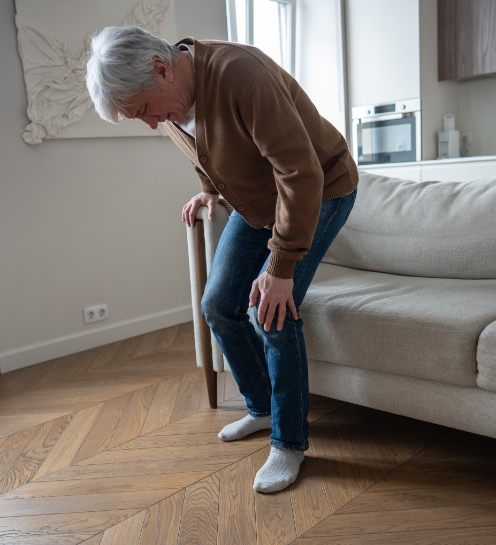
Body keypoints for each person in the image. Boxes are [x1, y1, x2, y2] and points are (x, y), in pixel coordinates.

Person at [86, 26, 358, 493]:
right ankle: (261, 406)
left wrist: (281, 267)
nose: (152, 124)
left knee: (271, 311)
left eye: (146, 111)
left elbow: (301, 172)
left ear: (160, 68)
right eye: (139, 119)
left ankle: (289, 442)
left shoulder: (242, 76)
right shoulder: (169, 98)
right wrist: (210, 191)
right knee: (218, 305)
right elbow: (203, 150)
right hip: (259, 200)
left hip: (321, 187)